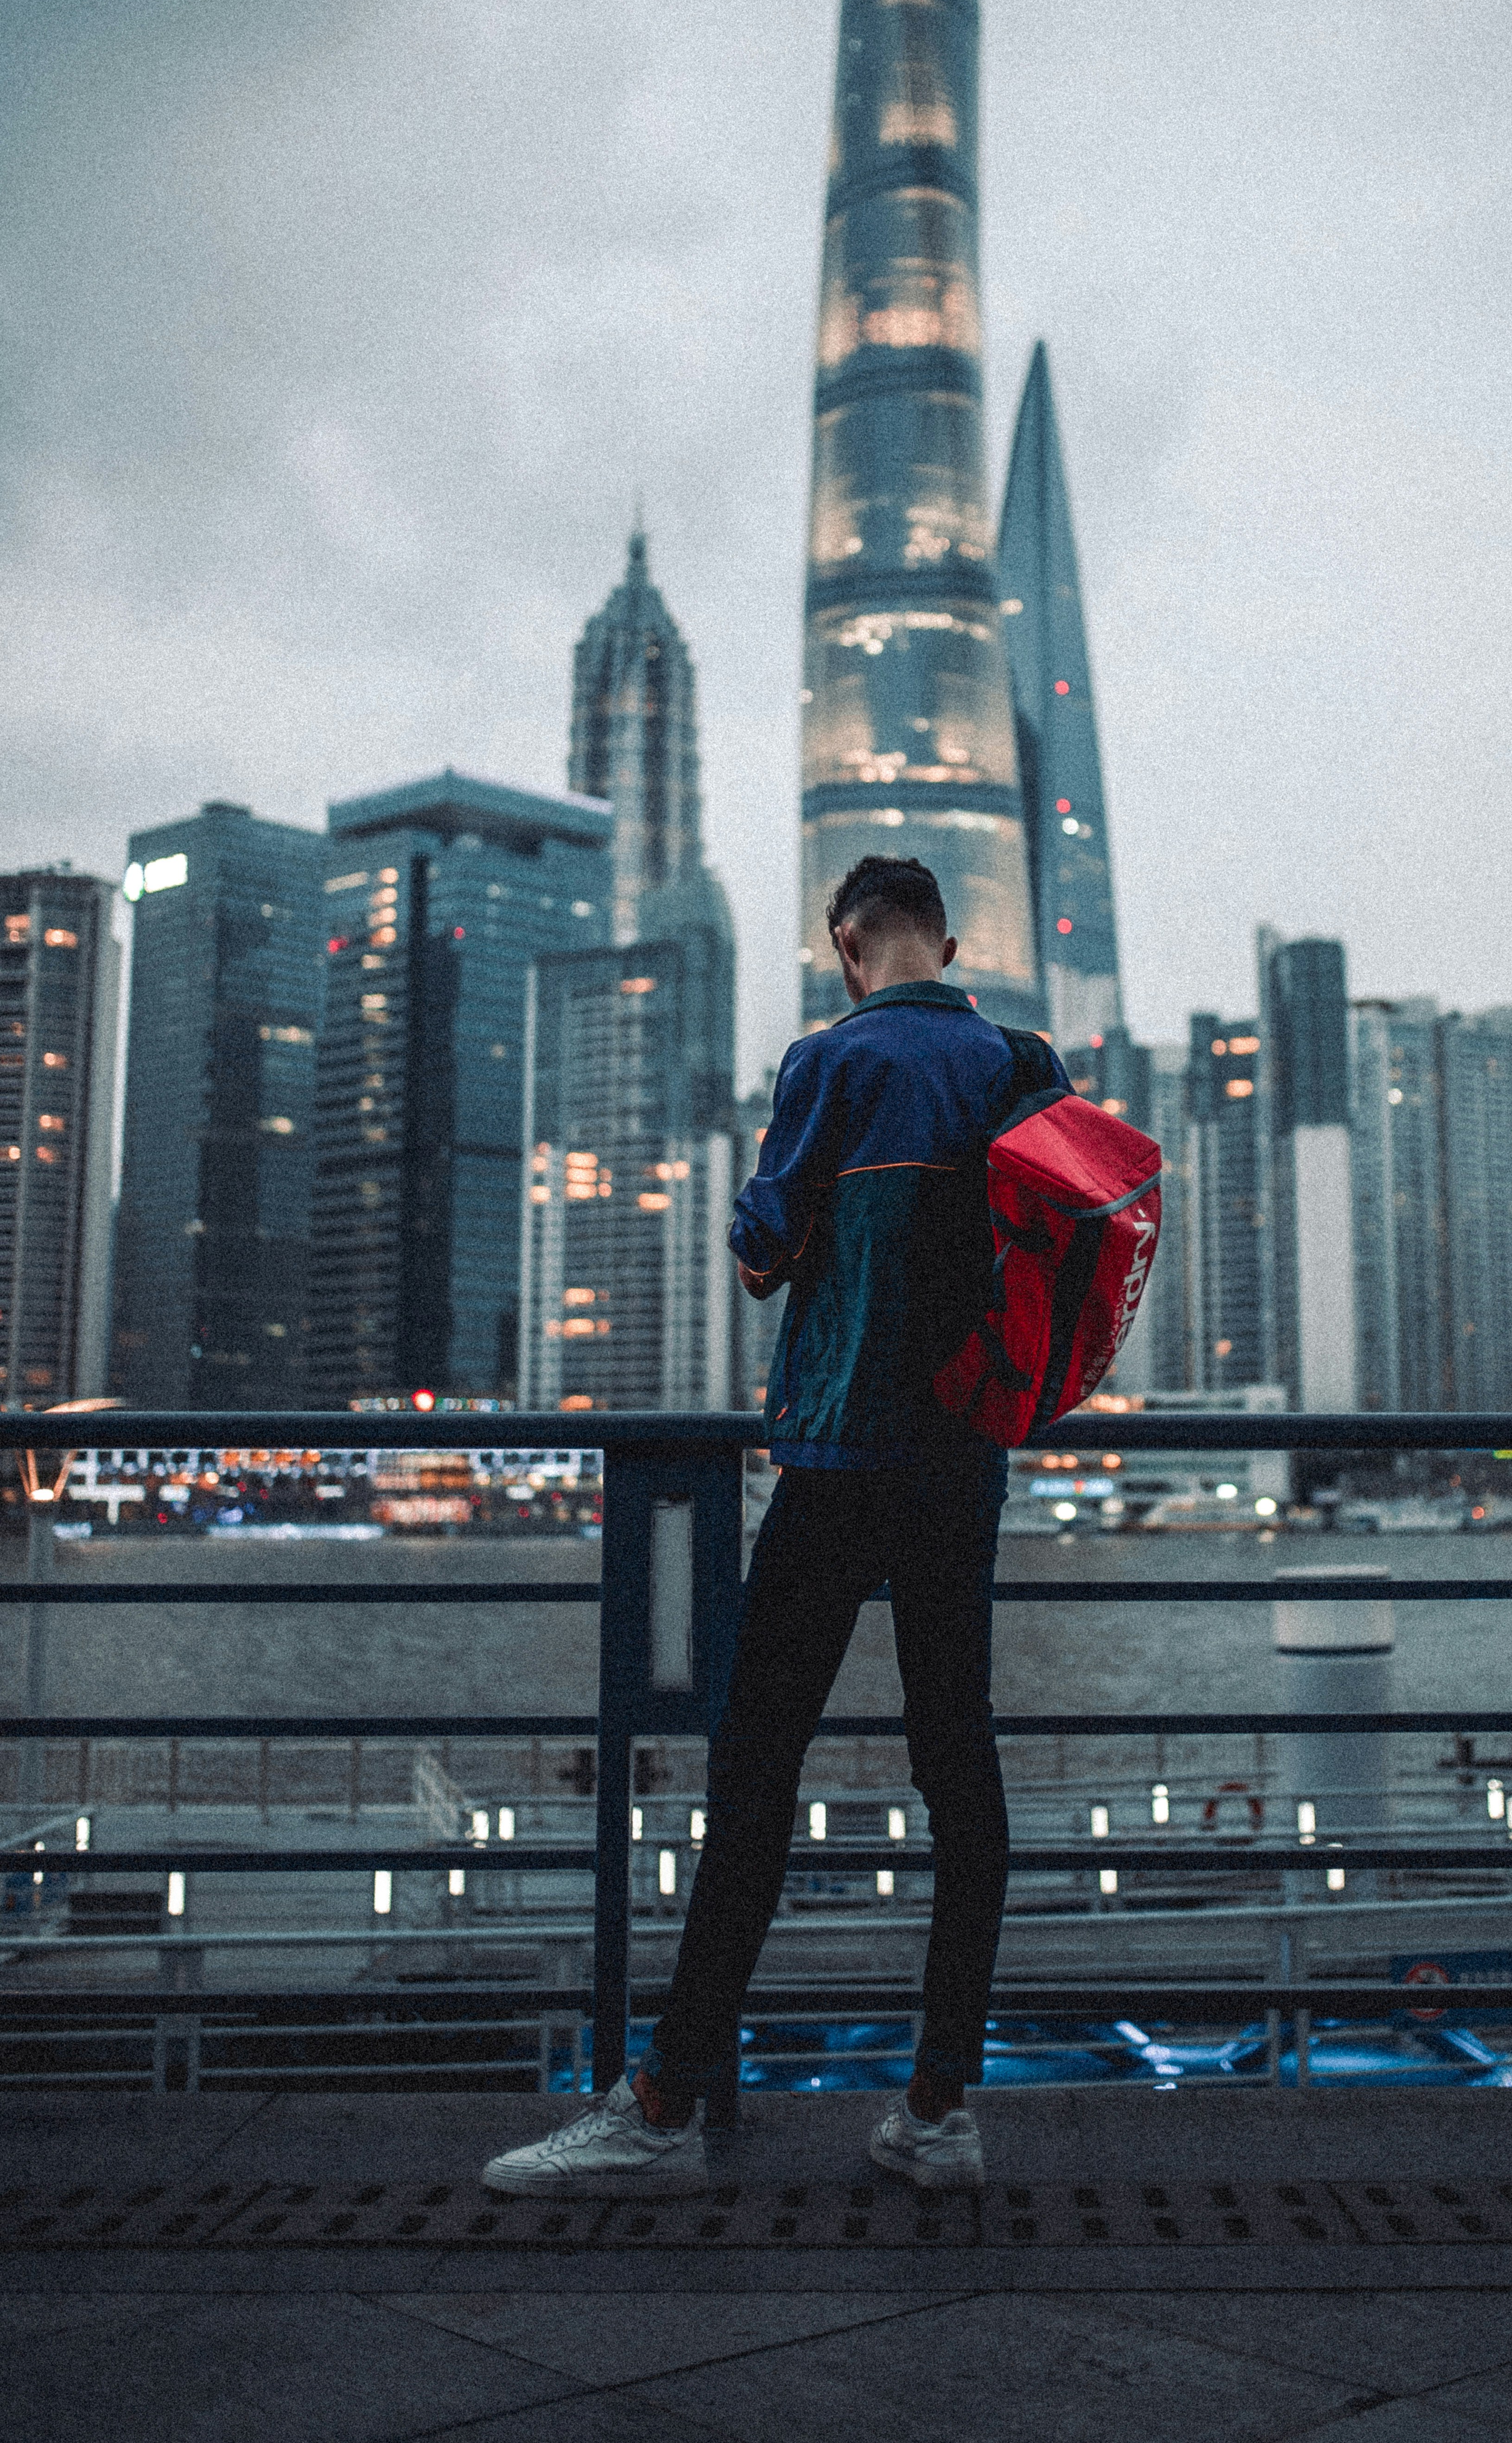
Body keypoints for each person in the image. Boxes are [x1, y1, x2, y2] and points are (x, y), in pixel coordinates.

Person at [485, 853, 1067, 2201]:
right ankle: (937, 2109)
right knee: (958, 1772)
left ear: (845, 943)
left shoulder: (830, 1061)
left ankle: (666, 2102)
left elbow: (759, 1253)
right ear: (947, 937)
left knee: (753, 1779)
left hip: (837, 1455)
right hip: (965, 1461)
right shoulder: (1024, 1063)